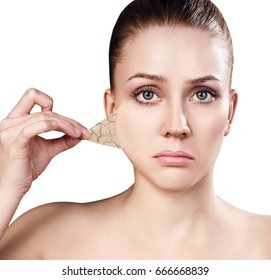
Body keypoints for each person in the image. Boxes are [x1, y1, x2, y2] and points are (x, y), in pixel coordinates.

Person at [0, 0, 270, 259]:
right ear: (112, 108)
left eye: (202, 94)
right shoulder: (44, 239)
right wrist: (6, 186)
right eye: (148, 94)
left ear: (230, 112)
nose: (176, 127)